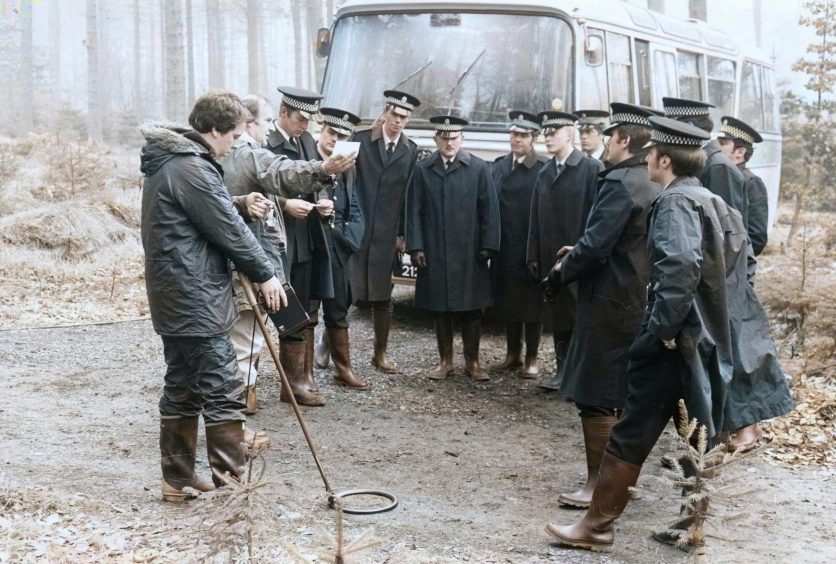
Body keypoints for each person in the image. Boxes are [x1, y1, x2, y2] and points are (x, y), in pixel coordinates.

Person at [545, 116, 737, 553]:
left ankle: (597, 527)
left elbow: (680, 268)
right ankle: (691, 526)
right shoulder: (707, 198)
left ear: (665, 160)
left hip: (673, 343)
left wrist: (660, 332)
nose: (646, 158)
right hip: (696, 340)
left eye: (651, 154)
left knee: (633, 431)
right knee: (694, 433)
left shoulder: (674, 204)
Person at [139, 91, 286, 501]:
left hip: (175, 295)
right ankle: (232, 490)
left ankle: (178, 478)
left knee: (183, 383)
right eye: (235, 135)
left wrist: (235, 201)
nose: (237, 143)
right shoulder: (191, 168)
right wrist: (266, 274)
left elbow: (202, 212)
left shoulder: (173, 163)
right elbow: (228, 230)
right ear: (213, 130)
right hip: (194, 295)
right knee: (222, 386)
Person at [544, 103, 661, 509]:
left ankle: (598, 487)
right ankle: (616, 485)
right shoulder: (650, 180)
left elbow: (596, 246)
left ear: (624, 141)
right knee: (620, 394)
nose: (606, 142)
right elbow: (624, 240)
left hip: (608, 303)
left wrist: (561, 270)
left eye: (610, 136)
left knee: (595, 394)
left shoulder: (620, 182)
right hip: (636, 299)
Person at [220, 95, 353, 415]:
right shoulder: (247, 153)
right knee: (247, 330)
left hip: (252, 248)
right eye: (263, 122)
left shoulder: (217, 153)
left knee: (251, 325)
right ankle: (239, 397)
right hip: (252, 250)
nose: (266, 128)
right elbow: (282, 175)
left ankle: (253, 389)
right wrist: (323, 168)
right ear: (248, 124)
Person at [406, 115, 500, 381]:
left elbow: (489, 211)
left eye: (454, 138)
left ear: (462, 139)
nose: (449, 143)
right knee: (441, 307)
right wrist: (416, 246)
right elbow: (414, 210)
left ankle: (473, 362)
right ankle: (445, 362)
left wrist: (489, 247)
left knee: (471, 308)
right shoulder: (423, 169)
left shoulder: (479, 168)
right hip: (435, 250)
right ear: (436, 139)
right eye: (444, 138)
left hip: (470, 252)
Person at [266, 86, 340, 407]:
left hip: (309, 233)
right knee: (288, 308)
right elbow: (261, 186)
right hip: (283, 238)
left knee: (310, 305)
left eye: (308, 121)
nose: (304, 126)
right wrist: (285, 204)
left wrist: (323, 201)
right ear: (283, 113)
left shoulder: (306, 140)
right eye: (299, 119)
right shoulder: (267, 143)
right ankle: (291, 384)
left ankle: (303, 377)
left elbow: (315, 179)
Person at [526, 111, 603, 391]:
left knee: (580, 315)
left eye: (553, 132)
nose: (547, 137)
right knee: (558, 314)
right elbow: (535, 216)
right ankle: (561, 371)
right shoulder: (545, 171)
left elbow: (598, 217)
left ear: (569, 134)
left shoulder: (589, 169)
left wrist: (586, 250)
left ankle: (578, 375)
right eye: (545, 133)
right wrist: (532, 254)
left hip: (579, 256)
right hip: (550, 254)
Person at [348, 90, 421, 374]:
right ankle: (329, 349)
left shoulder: (409, 150)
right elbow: (347, 184)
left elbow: (408, 196)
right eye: (396, 115)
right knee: (344, 293)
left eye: (405, 117)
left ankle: (380, 353)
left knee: (383, 296)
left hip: (387, 235)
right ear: (386, 112)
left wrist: (403, 235)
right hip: (358, 230)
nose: (399, 122)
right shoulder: (360, 140)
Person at [311, 107, 368, 390]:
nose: (334, 139)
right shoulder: (305, 160)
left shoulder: (348, 168)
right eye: (331, 132)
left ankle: (343, 370)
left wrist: (350, 238)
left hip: (337, 246)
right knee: (308, 309)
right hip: (310, 244)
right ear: (321, 131)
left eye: (341, 135)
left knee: (339, 307)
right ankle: (303, 376)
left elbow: (355, 207)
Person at [490, 111, 548, 377]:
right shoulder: (499, 165)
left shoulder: (543, 168)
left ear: (534, 138)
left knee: (532, 304)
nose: (517, 140)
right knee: (508, 301)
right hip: (505, 246)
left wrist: (536, 250)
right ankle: (512, 353)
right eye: (513, 134)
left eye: (523, 135)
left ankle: (532, 358)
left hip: (529, 247)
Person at [663, 97, 748, 228]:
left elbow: (727, 228)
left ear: (689, 129)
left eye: (672, 128)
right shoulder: (702, 160)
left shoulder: (719, 167)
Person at [717, 115, 769, 256]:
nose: (716, 147)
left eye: (722, 143)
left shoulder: (751, 183)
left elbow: (757, 237)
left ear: (740, 152)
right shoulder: (718, 175)